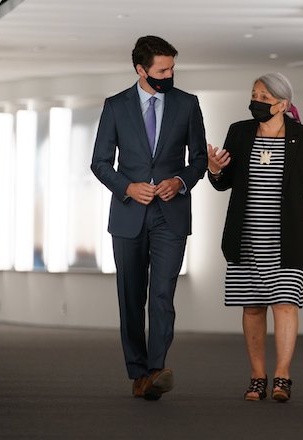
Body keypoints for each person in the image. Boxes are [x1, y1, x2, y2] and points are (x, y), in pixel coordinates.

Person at [207, 72, 303, 402]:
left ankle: (282, 376)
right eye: (254, 95)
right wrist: (214, 169)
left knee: (285, 305)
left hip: (289, 238)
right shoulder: (239, 133)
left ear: (283, 104)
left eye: (265, 99)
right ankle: (257, 377)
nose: (257, 102)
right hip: (247, 237)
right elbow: (224, 182)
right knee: (252, 307)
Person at [90, 35, 207, 401]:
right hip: (128, 215)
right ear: (141, 70)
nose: (169, 74)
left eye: (172, 68)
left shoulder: (187, 104)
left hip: (171, 215)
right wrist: (127, 188)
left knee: (162, 294)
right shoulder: (115, 106)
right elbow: (100, 162)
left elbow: (200, 159)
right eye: (162, 69)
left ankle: (157, 369)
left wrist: (180, 181)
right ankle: (137, 373)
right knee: (131, 297)